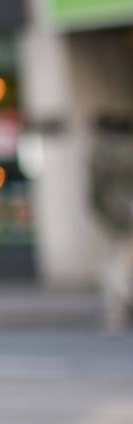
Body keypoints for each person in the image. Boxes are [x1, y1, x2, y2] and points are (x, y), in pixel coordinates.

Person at [88, 113, 133, 334]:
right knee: (122, 262)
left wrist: (98, 211)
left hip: (113, 216)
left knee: (114, 264)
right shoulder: (127, 153)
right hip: (124, 213)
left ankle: (119, 308)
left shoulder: (100, 154)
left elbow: (95, 190)